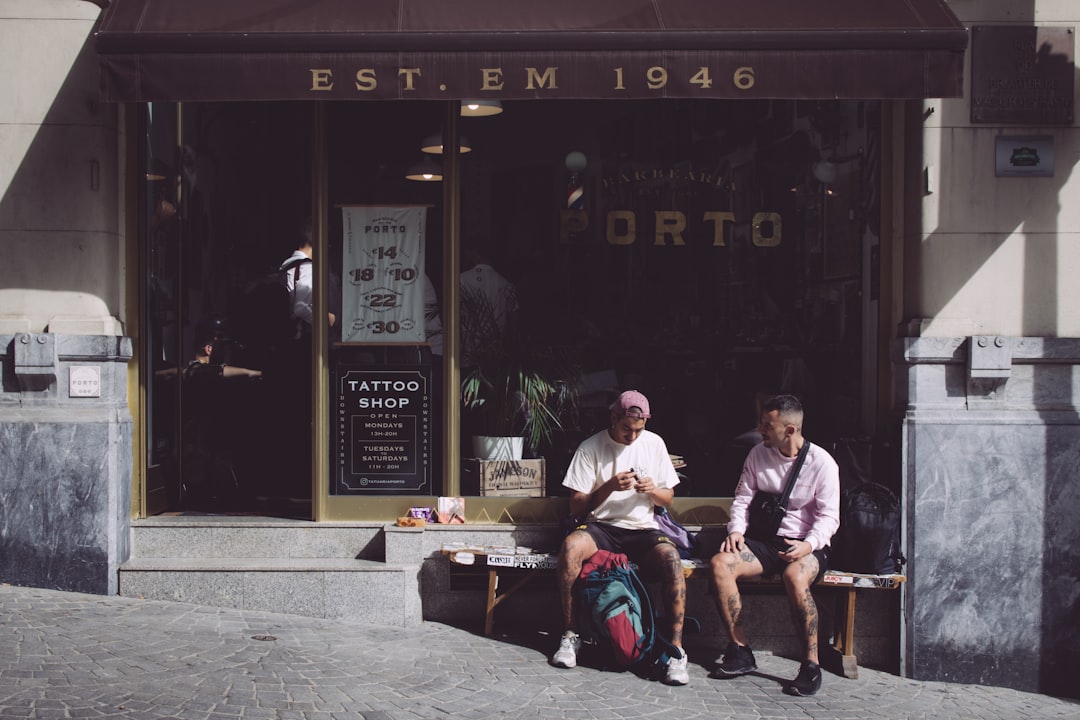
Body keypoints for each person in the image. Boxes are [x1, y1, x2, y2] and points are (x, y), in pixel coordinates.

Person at [551, 390, 690, 686]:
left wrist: (652, 491)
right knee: (571, 547)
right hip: (602, 527)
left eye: (639, 429)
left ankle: (676, 650)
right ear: (613, 418)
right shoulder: (591, 447)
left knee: (672, 559)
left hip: (642, 528)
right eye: (627, 428)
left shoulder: (654, 444)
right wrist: (610, 486)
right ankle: (570, 635)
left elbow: (668, 499)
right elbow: (576, 505)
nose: (632, 435)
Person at [708, 394, 840, 697]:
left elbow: (829, 517)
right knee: (720, 564)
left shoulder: (822, 463)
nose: (760, 430)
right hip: (767, 542)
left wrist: (808, 545)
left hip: (808, 545)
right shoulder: (757, 454)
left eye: (768, 425)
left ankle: (811, 665)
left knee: (794, 576)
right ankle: (740, 650)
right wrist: (737, 530)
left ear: (790, 430)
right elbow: (742, 498)